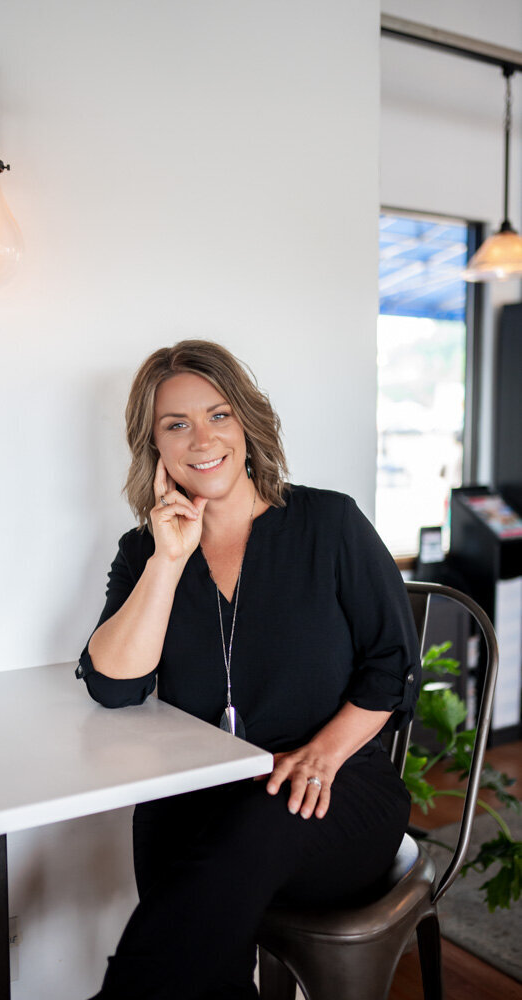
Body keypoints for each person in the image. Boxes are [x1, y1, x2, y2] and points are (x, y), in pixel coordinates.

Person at [76, 340, 420, 1000]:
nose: (201, 439)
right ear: (153, 446)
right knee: (170, 822)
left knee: (259, 814)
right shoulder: (145, 550)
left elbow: (391, 666)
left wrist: (322, 753)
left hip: (337, 789)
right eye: (175, 424)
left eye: (218, 415)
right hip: (210, 795)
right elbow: (114, 686)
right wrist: (170, 562)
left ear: (246, 424)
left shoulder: (328, 523)